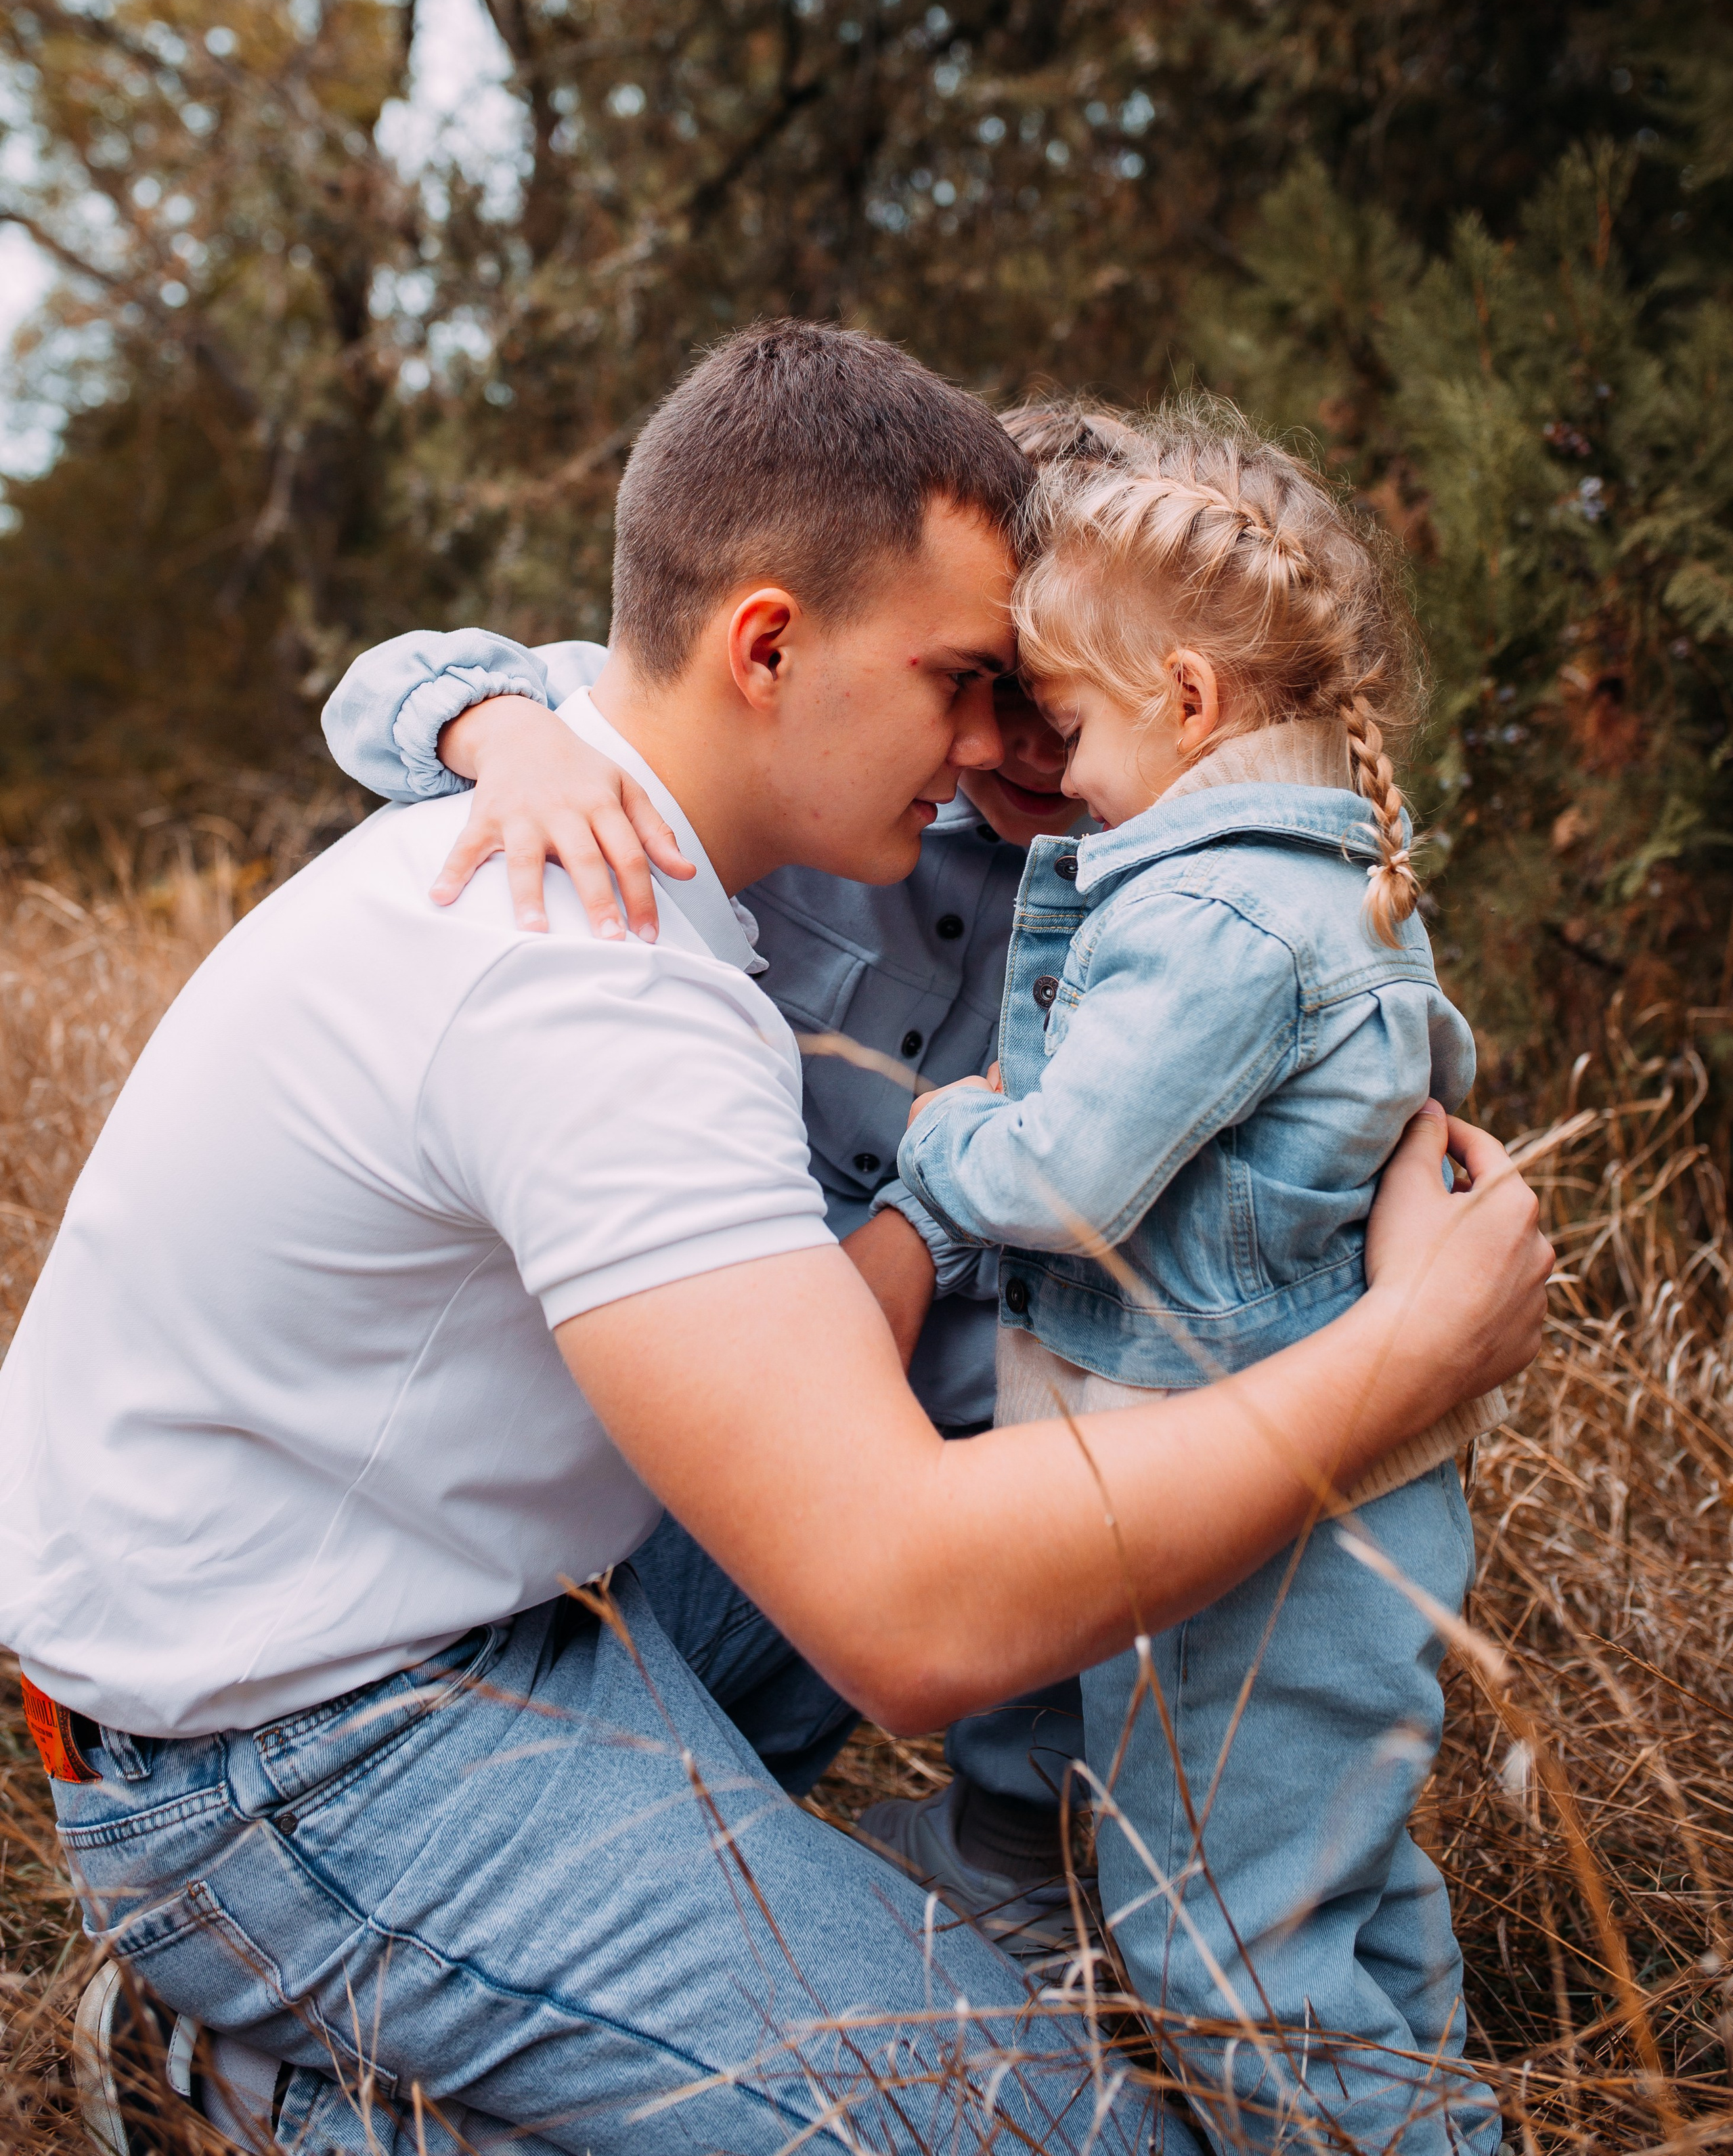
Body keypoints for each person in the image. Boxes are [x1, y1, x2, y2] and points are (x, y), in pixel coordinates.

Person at [0, 324, 1549, 2156]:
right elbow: (904, 1607)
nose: (1003, 741)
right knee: (1043, 2130)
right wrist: (1405, 1362)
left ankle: (948, 1894)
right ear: (767, 649)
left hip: (510, 1578)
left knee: (1011, 1425)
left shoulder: (793, 844)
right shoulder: (585, 958)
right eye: (969, 680)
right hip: (294, 1755)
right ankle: (266, 2080)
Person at [317, 402, 1151, 1960]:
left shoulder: (1149, 893)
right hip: (666, 1362)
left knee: (1063, 1407)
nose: (1019, 746)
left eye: (1073, 698)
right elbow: (388, 682)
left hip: (905, 1374)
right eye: (996, 685)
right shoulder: (814, 773)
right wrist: (505, 736)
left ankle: (1002, 1849)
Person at [897, 399, 1506, 2155]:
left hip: (1255, 1538)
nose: (1051, 771)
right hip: (1333, 1507)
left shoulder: (1210, 918)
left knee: (1218, 1953)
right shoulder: (1320, 881)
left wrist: (942, 1141)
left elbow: (1071, 1173)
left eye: (1068, 721)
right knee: (1344, 1906)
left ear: (1187, 704)